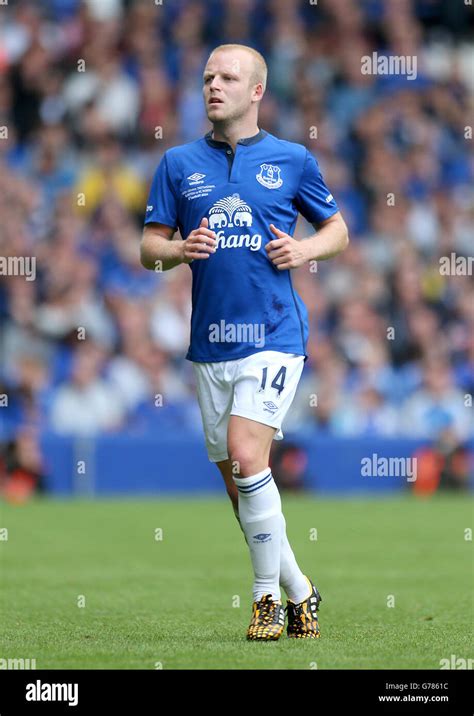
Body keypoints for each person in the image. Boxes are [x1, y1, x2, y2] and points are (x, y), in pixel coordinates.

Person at [140, 44, 349, 640]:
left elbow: (336, 229)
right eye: (207, 76)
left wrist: (304, 249)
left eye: (227, 77)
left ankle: (263, 599)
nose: (213, 85)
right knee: (238, 481)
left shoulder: (292, 159)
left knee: (248, 453)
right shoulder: (178, 164)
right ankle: (301, 591)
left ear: (257, 90)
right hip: (210, 345)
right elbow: (148, 248)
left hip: (274, 335)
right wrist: (179, 250)